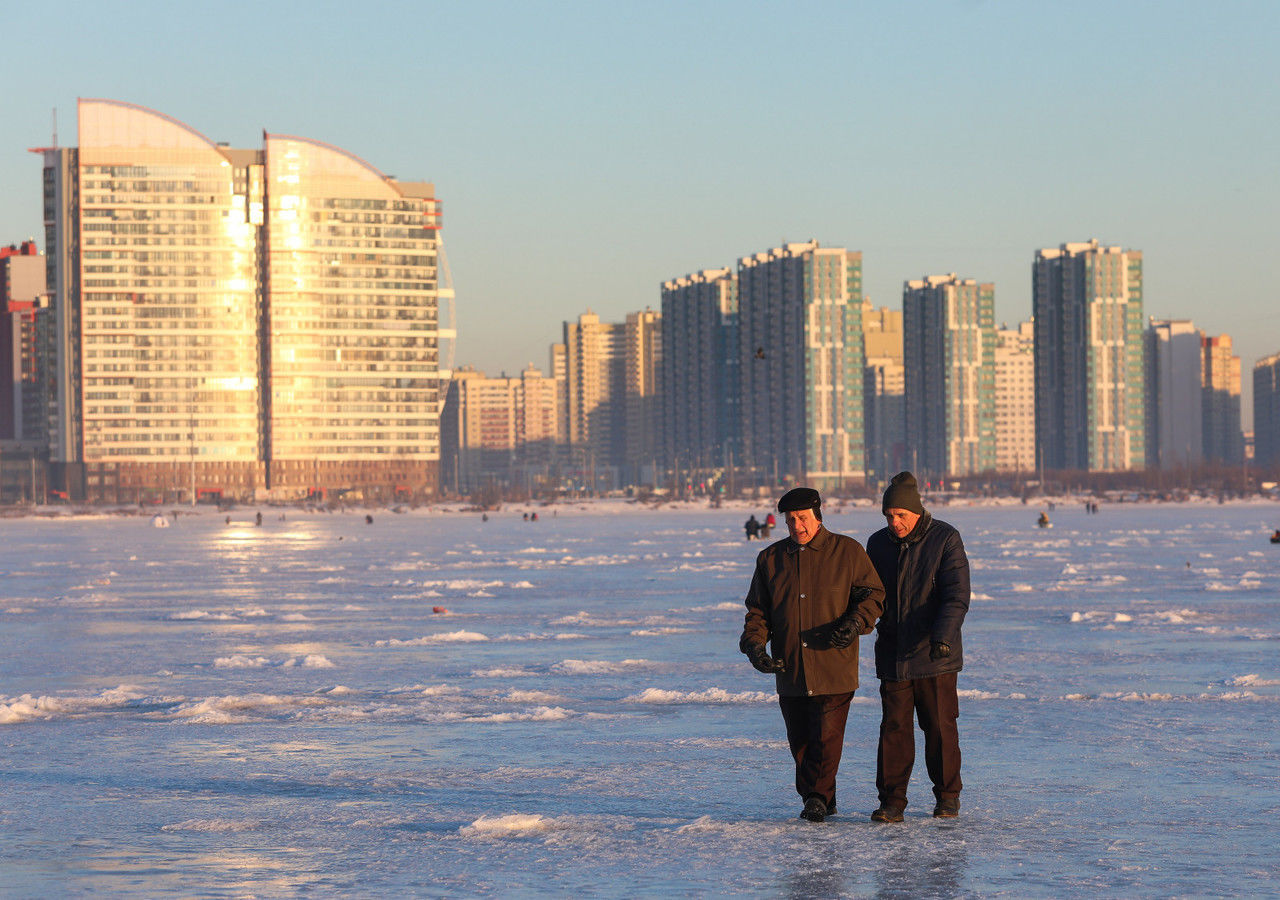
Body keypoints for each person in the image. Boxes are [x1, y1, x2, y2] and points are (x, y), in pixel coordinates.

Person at [740, 487, 884, 823]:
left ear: (817, 516)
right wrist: (756, 647)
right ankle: (821, 797)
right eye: (790, 520)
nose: (797, 526)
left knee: (827, 737)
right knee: (801, 741)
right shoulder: (770, 559)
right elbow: (758, 611)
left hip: (833, 664)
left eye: (802, 518)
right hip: (789, 666)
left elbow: (872, 595)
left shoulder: (847, 552)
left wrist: (855, 623)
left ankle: (817, 797)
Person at [866, 471, 971, 822]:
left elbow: (955, 595)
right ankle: (892, 802)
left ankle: (947, 797)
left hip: (935, 656)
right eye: (889, 516)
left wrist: (942, 636)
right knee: (894, 730)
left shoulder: (945, 538)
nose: (895, 523)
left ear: (917, 511)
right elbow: (870, 595)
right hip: (894, 653)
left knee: (940, 728)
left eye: (901, 516)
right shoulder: (877, 544)